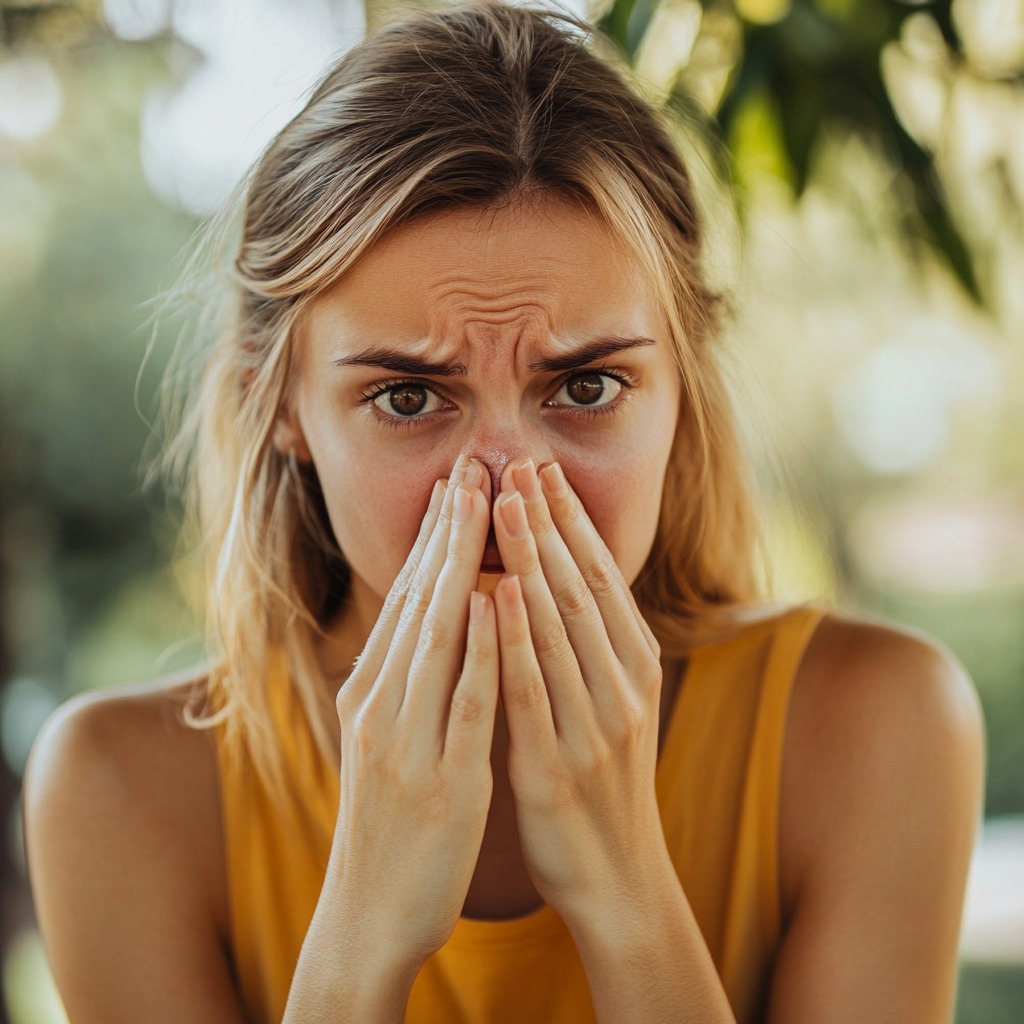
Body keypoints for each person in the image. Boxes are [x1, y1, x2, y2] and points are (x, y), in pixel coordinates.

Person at [22, 3, 984, 1022]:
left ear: (681, 388)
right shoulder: (122, 792)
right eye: (406, 397)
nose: (500, 478)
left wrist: (623, 886)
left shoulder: (871, 728)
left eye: (584, 387)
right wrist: (364, 923)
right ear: (285, 409)